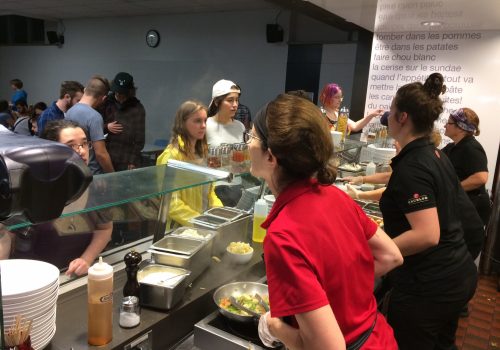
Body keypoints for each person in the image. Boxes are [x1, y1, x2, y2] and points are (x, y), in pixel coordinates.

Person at [248, 94, 402, 349]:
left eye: (252, 137)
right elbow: (391, 256)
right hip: (380, 339)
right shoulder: (335, 195)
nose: (249, 144)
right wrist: (343, 288)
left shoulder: (282, 235)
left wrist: (274, 325)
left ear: (271, 157)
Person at [379, 73, 478, 349]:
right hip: (456, 274)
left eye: (393, 108)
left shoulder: (414, 166)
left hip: (430, 285)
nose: (389, 113)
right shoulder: (435, 154)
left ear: (402, 117)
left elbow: (427, 235)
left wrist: (375, 251)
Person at [9, 120, 113, 276]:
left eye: (84, 144)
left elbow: (105, 228)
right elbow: (9, 238)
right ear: (50, 151)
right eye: (71, 146)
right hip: (31, 275)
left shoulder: (95, 186)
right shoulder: (31, 188)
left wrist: (85, 260)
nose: (82, 151)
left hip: (72, 276)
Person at [156, 100, 222, 227]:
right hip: (180, 229)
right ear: (182, 123)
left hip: (204, 224)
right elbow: (171, 204)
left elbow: (209, 192)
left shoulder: (203, 152)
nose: (203, 125)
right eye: (197, 121)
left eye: (205, 120)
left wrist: (219, 212)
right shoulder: (171, 156)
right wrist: (200, 222)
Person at [443, 108, 491, 227]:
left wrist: (453, 189)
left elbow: (481, 178)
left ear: (460, 127)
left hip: (471, 211)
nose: (445, 125)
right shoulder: (452, 147)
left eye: (449, 123)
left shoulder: (472, 148)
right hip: (461, 207)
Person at [66, 75, 114, 174]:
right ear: (103, 98)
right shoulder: (94, 117)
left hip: (75, 170)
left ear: (84, 90)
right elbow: (101, 154)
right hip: (92, 173)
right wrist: (113, 175)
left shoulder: (69, 112)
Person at [100, 72, 146, 171]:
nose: (119, 95)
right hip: (107, 155)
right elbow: (94, 128)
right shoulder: (106, 102)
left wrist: (132, 161)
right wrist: (106, 127)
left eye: (123, 93)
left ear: (129, 92)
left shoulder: (137, 108)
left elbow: (140, 139)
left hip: (126, 158)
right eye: (117, 92)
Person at [319, 83, 383, 132]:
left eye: (340, 97)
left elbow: (355, 126)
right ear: (327, 97)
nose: (340, 100)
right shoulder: (320, 113)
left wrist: (371, 115)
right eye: (336, 97)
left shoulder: (338, 114)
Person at [206, 79, 245, 146]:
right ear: (216, 102)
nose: (235, 104)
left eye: (237, 100)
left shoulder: (240, 126)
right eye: (230, 100)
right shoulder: (205, 126)